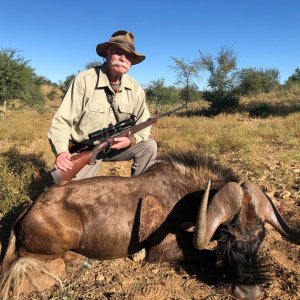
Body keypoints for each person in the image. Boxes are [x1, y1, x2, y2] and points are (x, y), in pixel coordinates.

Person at [48, 30, 157, 180]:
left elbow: (144, 122)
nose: (123, 58)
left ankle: (140, 192)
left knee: (149, 146)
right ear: (106, 54)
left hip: (114, 146)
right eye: (118, 52)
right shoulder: (84, 80)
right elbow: (62, 120)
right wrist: (61, 152)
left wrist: (130, 140)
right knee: (74, 194)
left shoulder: (135, 88)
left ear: (131, 63)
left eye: (129, 56)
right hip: (84, 149)